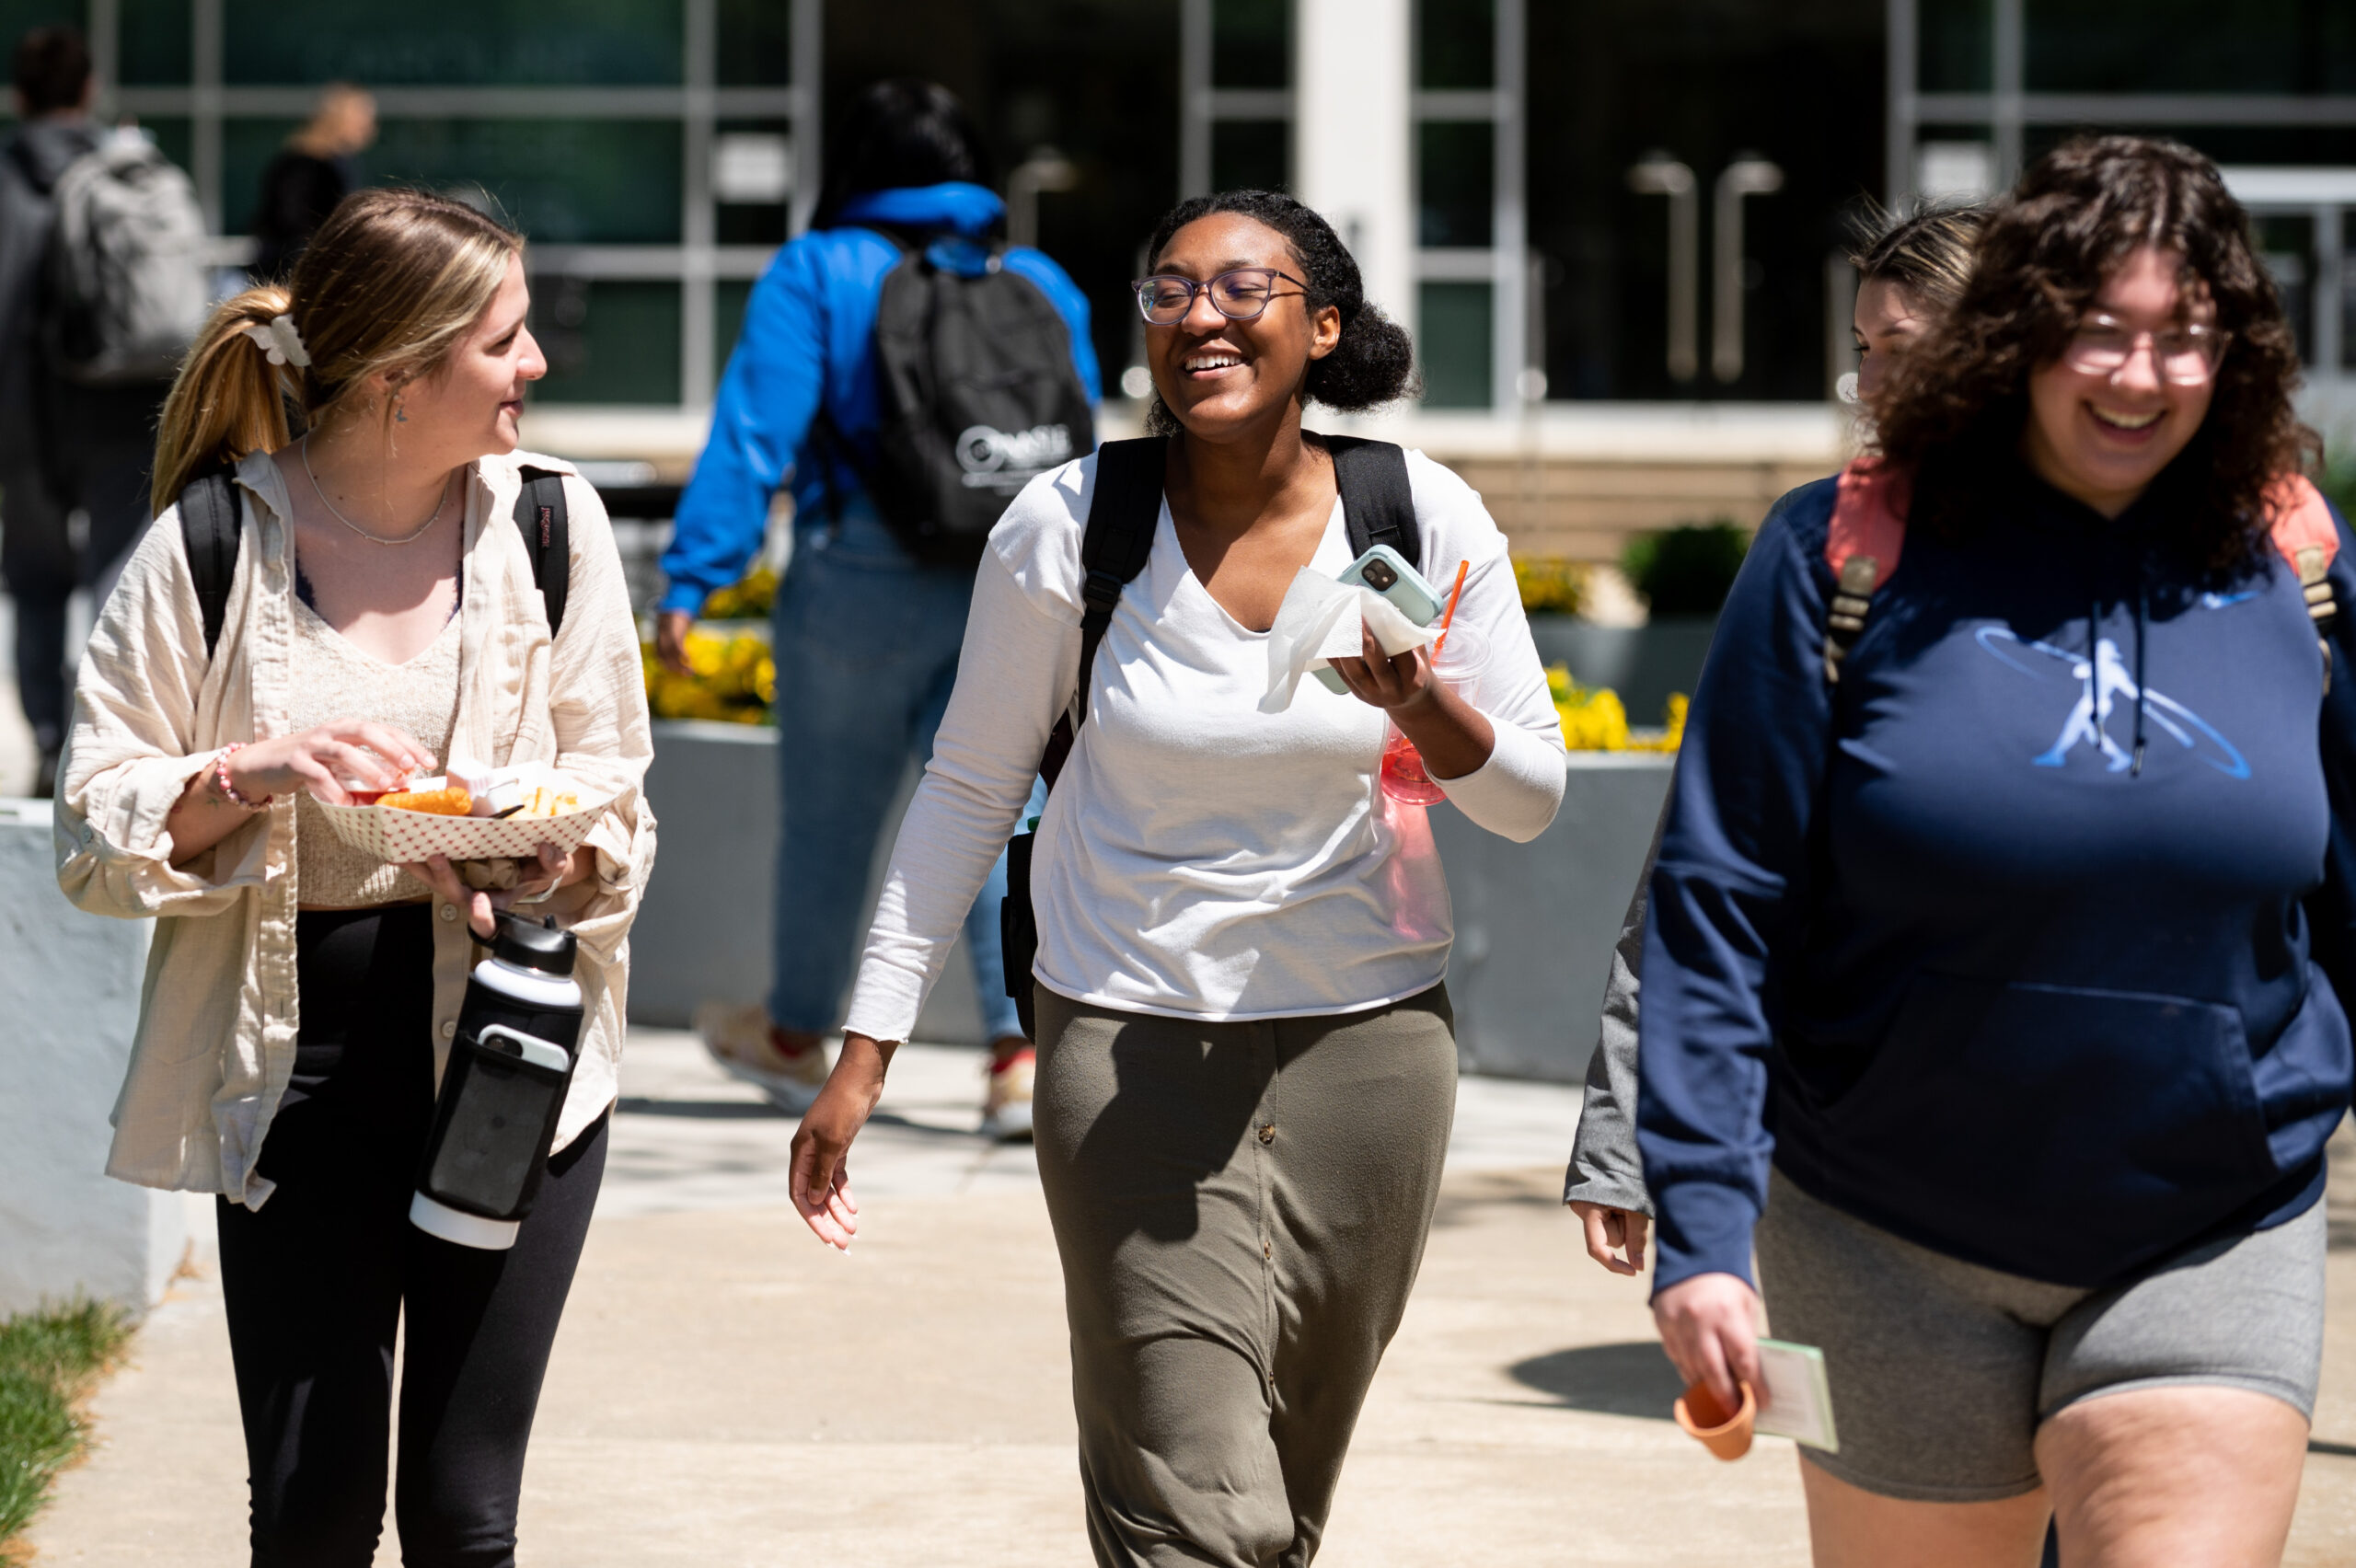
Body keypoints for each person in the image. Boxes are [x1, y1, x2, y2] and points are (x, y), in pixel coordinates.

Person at [790, 188, 1568, 1567]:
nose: (1200, 315)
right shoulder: (1069, 528)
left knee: (1287, 1496)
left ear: (1324, 327)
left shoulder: (1419, 512)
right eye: (1169, 292)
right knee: (1204, 1511)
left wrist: (1422, 704)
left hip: (1370, 1055)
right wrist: (868, 1048)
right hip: (1126, 1042)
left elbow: (1527, 801)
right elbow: (968, 789)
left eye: (1242, 288)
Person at [1639, 136, 2349, 1562]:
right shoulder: (1843, 553)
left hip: (2213, 1220)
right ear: (2022, 333)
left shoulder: (2296, 567)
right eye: (2098, 333)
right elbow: (1720, 898)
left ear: (2240, 355)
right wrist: (1700, 1224)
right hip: (1883, 1234)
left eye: (2184, 338)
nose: (2138, 378)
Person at [54, 188, 656, 1565]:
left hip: (513, 1055)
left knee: (463, 1514)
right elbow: (95, 829)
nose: (538, 368)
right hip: (294, 1072)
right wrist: (249, 773)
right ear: (399, 377)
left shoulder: (552, 529)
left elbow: (615, 792)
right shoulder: (212, 545)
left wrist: (555, 857)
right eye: (507, 341)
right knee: (316, 1514)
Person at [658, 78, 1098, 1136]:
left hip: (856, 574)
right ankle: (1019, 1051)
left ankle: (797, 1031)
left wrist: (691, 578)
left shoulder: (816, 270)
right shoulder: (1037, 278)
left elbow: (755, 434)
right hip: (1016, 578)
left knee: (831, 822)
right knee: (1009, 810)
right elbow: (1079, 451)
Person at [1564, 201, 1987, 1277]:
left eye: (1904, 350)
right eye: (1862, 351)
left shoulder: (2156, 561)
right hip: (1847, 1149)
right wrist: (1627, 1135)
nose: (1870, 388)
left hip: (2106, 1150)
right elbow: (1702, 862)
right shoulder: (1816, 545)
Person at [0, 24, 171, 797]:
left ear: (18, 95)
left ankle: (47, 743)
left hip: (28, 418)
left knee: (36, 583)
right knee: (120, 579)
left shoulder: (6, 178)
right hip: (122, 404)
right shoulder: (128, 168)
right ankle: (111, 748)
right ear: (90, 90)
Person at [249, 82, 377, 281]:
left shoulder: (335, 163)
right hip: (295, 277)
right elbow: (295, 229)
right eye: (362, 119)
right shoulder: (306, 167)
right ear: (337, 120)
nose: (370, 128)